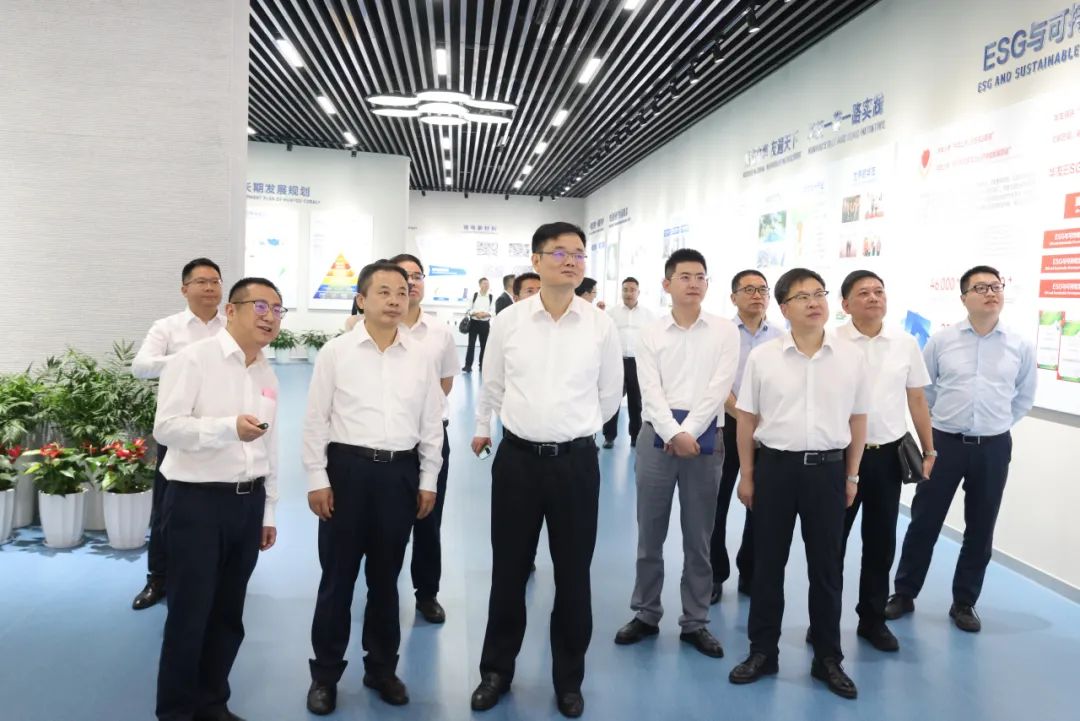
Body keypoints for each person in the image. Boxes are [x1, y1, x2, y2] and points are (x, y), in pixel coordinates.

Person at [470, 222, 622, 719]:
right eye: (559, 252)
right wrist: (486, 427)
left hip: (575, 465)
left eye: (579, 253)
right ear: (535, 260)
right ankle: (496, 671)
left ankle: (568, 679)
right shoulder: (509, 322)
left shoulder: (599, 325)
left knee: (574, 576)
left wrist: (572, 430)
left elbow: (610, 395)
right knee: (509, 572)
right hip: (517, 462)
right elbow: (492, 384)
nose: (571, 260)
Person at [303, 261, 444, 715]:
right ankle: (325, 674)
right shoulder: (337, 352)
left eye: (402, 292)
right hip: (347, 472)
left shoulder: (420, 357)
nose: (394, 300)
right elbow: (316, 420)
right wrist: (317, 477)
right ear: (361, 300)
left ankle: (381, 669)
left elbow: (431, 424)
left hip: (399, 475)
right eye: (383, 292)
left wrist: (428, 479)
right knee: (338, 579)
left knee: (386, 580)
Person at [728, 267, 869, 700]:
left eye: (819, 294)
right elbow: (746, 420)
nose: (813, 302)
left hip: (828, 471)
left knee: (826, 569)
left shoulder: (850, 357)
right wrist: (747, 475)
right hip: (775, 470)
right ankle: (762, 652)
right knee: (767, 565)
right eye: (802, 296)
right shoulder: (764, 357)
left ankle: (828, 658)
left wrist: (852, 475)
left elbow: (858, 419)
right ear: (784, 308)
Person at [153, 276, 283, 721]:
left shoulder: (266, 372)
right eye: (260, 306)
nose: (270, 317)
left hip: (247, 504)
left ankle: (212, 704)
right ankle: (175, 712)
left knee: (228, 615)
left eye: (277, 310)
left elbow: (271, 444)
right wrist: (227, 428)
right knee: (189, 616)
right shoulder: (193, 359)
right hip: (197, 504)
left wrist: (268, 510)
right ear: (232, 310)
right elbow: (166, 427)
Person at [886, 265, 1036, 633]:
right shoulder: (942, 341)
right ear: (964, 298)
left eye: (996, 286)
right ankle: (904, 592)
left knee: (981, 526)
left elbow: (1023, 397)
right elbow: (925, 391)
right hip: (944, 444)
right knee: (925, 520)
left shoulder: (1019, 345)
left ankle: (965, 601)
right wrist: (937, 433)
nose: (991, 293)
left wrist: (994, 425)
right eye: (981, 287)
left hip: (993, 447)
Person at [613, 250, 738, 659]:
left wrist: (689, 432)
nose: (694, 283)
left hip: (705, 440)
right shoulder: (651, 332)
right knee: (650, 534)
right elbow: (648, 391)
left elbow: (719, 388)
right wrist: (673, 432)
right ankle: (646, 613)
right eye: (685, 276)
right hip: (657, 439)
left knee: (699, 537)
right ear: (667, 284)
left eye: (700, 276)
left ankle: (695, 621)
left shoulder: (724, 331)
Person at [826, 270, 936, 652]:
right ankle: (824, 621)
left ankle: (872, 620)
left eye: (879, 291)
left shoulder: (905, 343)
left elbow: (917, 399)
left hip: (887, 458)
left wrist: (930, 449)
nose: (874, 298)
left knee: (880, 543)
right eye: (863, 293)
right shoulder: (831, 341)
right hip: (839, 457)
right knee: (831, 543)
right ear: (845, 304)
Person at [130, 257, 227, 611]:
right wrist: (190, 358)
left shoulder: (232, 325)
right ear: (184, 289)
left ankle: (215, 578)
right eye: (201, 281)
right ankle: (158, 577)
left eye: (215, 281)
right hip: (179, 433)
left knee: (220, 509)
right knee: (166, 510)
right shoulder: (168, 328)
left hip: (224, 431)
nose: (209, 287)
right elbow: (141, 366)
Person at [389, 253, 460, 625]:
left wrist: (422, 411)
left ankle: (427, 593)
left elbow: (445, 383)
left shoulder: (439, 332)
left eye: (417, 276)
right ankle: (381, 588)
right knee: (386, 520)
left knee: (429, 518)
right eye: (404, 276)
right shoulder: (372, 328)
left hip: (431, 436)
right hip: (388, 439)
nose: (411, 282)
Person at [710, 270, 781, 605]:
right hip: (725, 424)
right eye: (748, 289)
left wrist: (758, 422)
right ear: (733, 297)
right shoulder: (720, 335)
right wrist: (743, 417)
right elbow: (716, 383)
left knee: (762, 505)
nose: (757, 295)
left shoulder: (781, 337)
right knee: (716, 503)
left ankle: (750, 572)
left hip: (767, 430)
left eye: (762, 289)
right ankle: (714, 574)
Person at [601, 277, 655, 449]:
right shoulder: (611, 313)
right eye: (625, 289)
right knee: (613, 399)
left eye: (632, 290)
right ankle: (609, 436)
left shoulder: (648, 315)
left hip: (637, 363)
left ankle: (635, 437)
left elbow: (653, 339)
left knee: (636, 401)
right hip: (616, 362)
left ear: (638, 292)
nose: (628, 293)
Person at [462, 277, 493, 372]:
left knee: (484, 346)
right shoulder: (474, 295)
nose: (486, 285)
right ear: (480, 285)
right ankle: (468, 366)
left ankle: (482, 365)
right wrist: (476, 314)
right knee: (471, 345)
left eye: (487, 283)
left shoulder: (491, 297)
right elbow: (468, 309)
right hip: (474, 323)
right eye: (484, 283)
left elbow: (493, 311)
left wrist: (485, 314)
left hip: (485, 324)